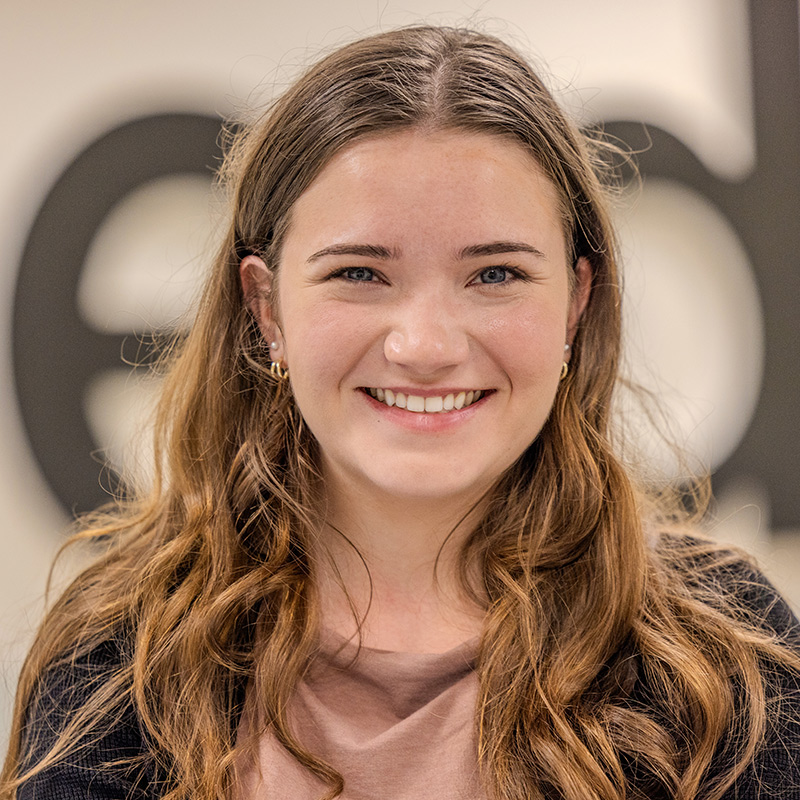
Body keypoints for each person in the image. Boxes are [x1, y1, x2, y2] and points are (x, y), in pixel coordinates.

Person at [2, 25, 799, 800]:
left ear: (575, 303)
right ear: (266, 307)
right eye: (359, 273)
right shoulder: (120, 659)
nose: (424, 347)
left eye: (495, 275)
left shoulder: (724, 656)